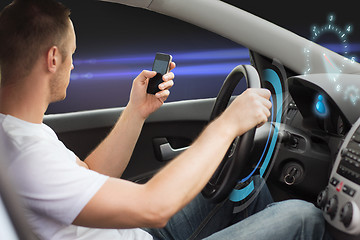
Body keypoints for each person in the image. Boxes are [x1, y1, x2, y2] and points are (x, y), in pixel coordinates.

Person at [0, 0, 327, 239]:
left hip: (133, 233)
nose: (74, 66)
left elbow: (91, 174)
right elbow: (153, 208)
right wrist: (228, 125)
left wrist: (135, 111)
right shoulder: (25, 158)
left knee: (242, 182)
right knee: (304, 217)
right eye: (72, 54)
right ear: (53, 58)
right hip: (144, 224)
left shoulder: (21, 132)